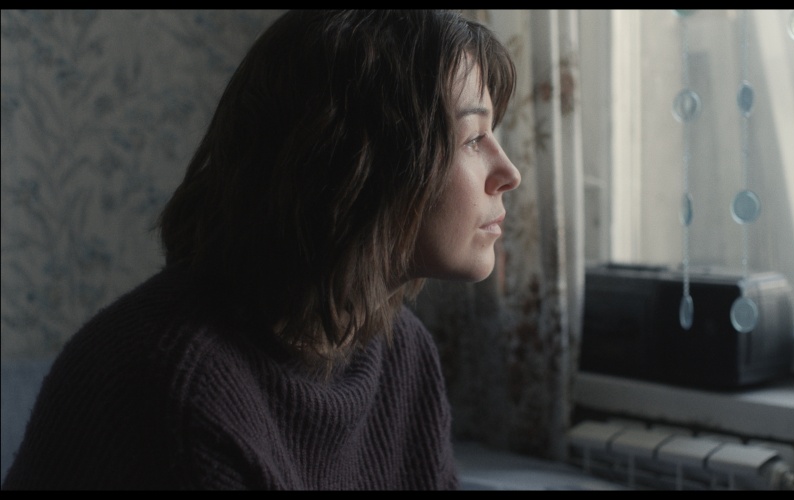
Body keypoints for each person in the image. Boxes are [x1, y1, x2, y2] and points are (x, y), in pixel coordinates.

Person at [2, 9, 521, 490]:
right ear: (356, 162)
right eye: (472, 139)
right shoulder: (178, 392)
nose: (509, 173)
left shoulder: (401, 351)